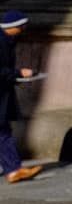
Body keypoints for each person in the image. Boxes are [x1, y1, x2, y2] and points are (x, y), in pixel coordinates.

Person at [0, 12, 39, 184]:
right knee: (3, 133)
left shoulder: (7, 42)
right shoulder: (2, 42)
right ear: (13, 27)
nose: (24, 29)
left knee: (3, 132)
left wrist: (17, 77)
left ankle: (13, 169)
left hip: (3, 94)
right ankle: (13, 170)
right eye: (22, 26)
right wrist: (18, 73)